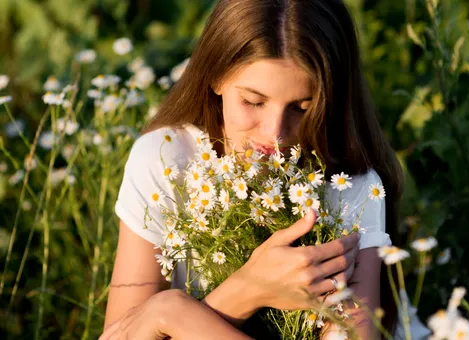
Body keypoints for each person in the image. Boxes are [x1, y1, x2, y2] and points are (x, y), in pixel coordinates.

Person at [103, 0, 405, 338]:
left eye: (301, 108)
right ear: (215, 77)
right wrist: (249, 289)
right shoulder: (165, 159)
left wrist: (171, 315)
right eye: (253, 102)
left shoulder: (351, 191)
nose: (275, 134)